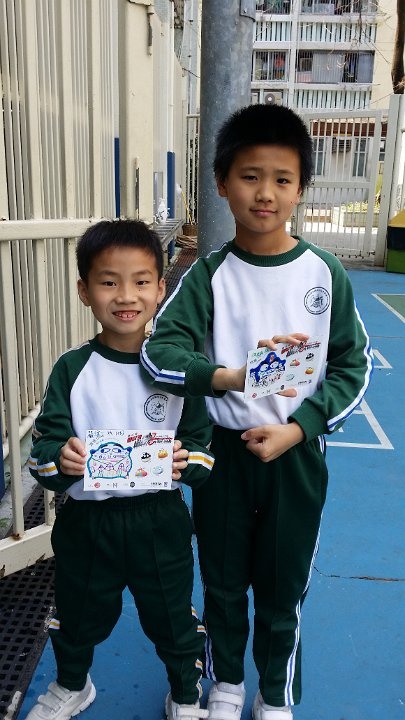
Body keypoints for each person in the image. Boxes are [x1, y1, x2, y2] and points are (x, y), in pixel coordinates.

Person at [140, 104, 373, 720]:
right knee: (222, 581)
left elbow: (352, 367)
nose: (265, 192)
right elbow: (160, 353)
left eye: (282, 178)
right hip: (222, 454)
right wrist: (228, 377)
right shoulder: (208, 276)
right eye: (249, 176)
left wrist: (299, 428)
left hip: (294, 457)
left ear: (300, 189)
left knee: (282, 585)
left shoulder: (324, 273)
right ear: (221, 182)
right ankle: (226, 683)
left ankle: (274, 692)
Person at [26, 219, 214, 720]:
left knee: (172, 615)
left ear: (160, 288)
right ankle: (72, 685)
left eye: (141, 281)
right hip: (87, 523)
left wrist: (188, 462)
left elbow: (202, 444)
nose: (126, 296)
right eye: (109, 282)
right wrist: (60, 460)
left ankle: (185, 693)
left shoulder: (179, 368)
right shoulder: (72, 368)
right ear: (84, 291)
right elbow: (43, 448)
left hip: (160, 519)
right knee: (77, 613)